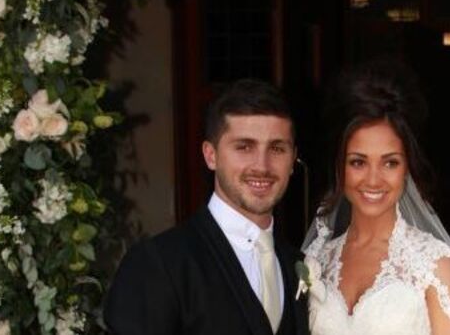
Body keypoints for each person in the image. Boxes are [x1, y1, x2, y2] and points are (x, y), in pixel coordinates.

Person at [105, 79, 309, 335]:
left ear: (292, 159)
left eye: (277, 148)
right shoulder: (157, 264)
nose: (262, 166)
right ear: (211, 155)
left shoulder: (299, 264)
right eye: (244, 147)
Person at [302, 62, 450, 335]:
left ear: (407, 168)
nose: (373, 179)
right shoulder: (319, 258)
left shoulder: (434, 264)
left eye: (390, 163)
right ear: (339, 167)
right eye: (358, 162)